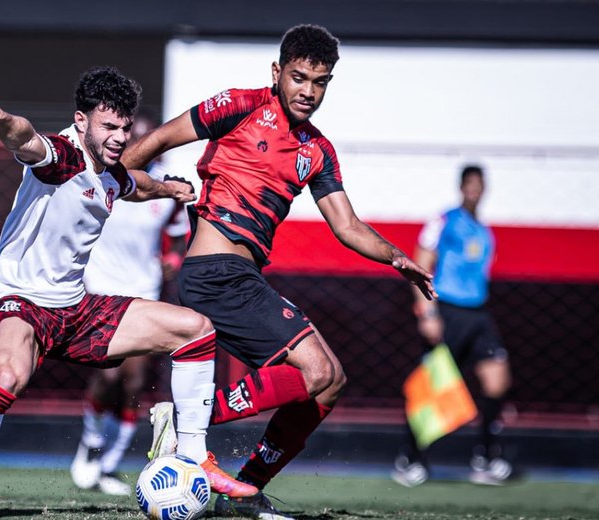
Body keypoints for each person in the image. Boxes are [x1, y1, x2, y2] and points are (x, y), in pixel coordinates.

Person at [122, 25, 436, 519]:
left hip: (241, 277)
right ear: (277, 72)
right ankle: (186, 417)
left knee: (330, 382)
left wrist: (397, 258)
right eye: (299, 77)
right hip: (213, 271)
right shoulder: (238, 105)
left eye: (321, 81)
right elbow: (152, 143)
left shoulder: (318, 150)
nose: (308, 91)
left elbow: (347, 225)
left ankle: (244, 490)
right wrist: (134, 185)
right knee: (315, 371)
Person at [0, 67, 257, 520]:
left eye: (125, 127)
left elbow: (131, 184)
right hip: (20, 302)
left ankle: (197, 457)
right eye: (110, 126)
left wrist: (168, 189)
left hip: (76, 307)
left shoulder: (110, 171)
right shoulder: (61, 157)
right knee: (7, 377)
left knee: (195, 329)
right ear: (81, 121)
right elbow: (24, 139)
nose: (121, 136)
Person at [69, 109, 190, 496]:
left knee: (135, 382)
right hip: (99, 285)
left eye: (144, 136)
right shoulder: (101, 176)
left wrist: (172, 260)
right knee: (107, 373)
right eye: (128, 134)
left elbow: (176, 238)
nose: (133, 142)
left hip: (143, 288)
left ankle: (109, 464)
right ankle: (90, 442)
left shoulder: (164, 189)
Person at [392, 165, 513, 487]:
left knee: (497, 381)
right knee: (433, 386)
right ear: (462, 187)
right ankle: (411, 458)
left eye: (479, 184)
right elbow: (421, 260)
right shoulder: (444, 220)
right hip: (448, 310)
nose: (474, 190)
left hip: (478, 313)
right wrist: (427, 311)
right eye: (469, 184)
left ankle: (485, 457)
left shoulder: (483, 230)